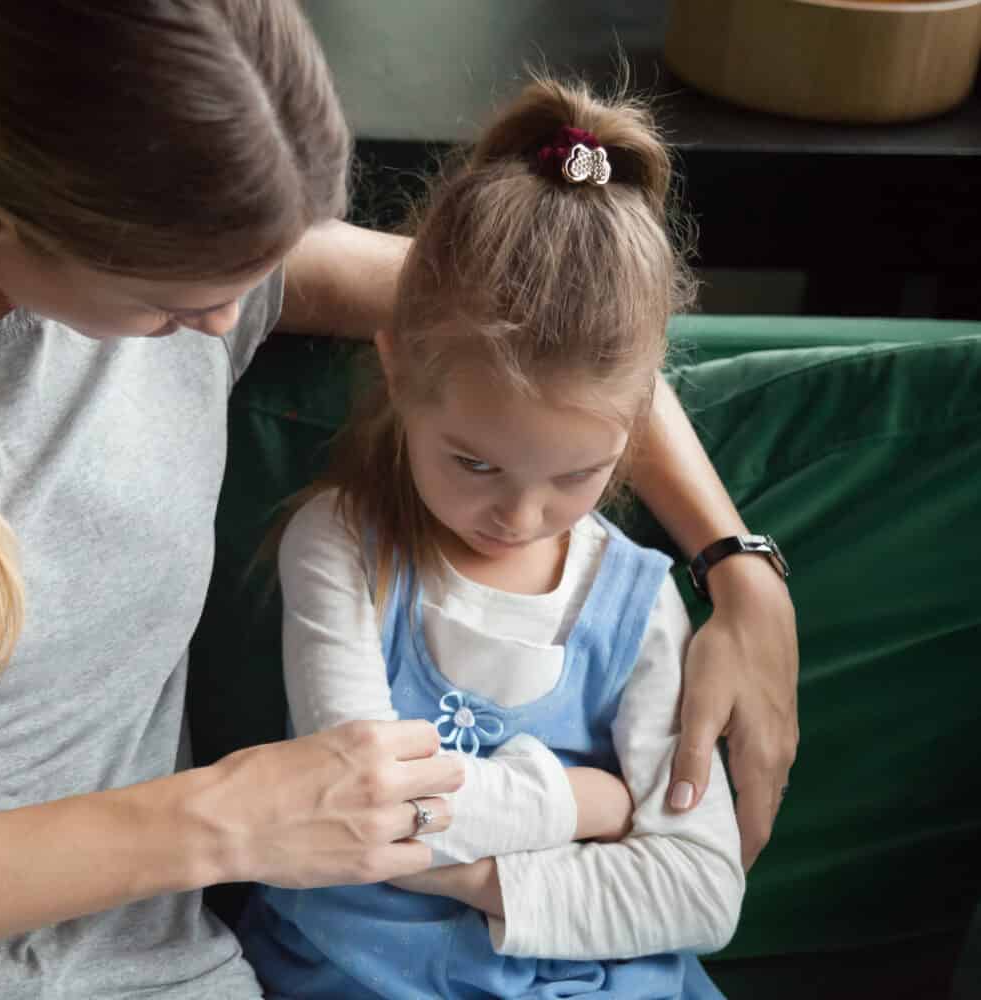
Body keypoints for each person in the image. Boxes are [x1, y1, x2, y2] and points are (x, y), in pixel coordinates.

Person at [0, 1, 793, 996]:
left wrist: (736, 562)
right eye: (175, 308)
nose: (219, 324)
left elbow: (567, 330)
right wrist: (218, 825)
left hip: (168, 972)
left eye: (256, 277)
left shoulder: (205, 251)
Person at [237, 78, 745, 998]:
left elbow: (703, 889)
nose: (518, 517)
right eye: (473, 464)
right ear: (396, 369)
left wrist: (469, 874)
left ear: (638, 420)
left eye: (578, 475)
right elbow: (357, 805)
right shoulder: (345, 548)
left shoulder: (641, 602)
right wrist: (583, 804)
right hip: (366, 974)